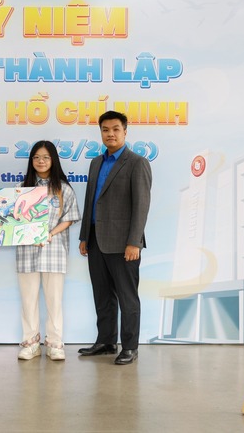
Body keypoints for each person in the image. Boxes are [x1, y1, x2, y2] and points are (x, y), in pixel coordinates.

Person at [78, 111, 152, 366]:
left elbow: (141, 206)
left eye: (115, 129)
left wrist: (134, 242)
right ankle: (106, 341)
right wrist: (84, 236)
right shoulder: (96, 163)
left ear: (125, 132)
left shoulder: (137, 163)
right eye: (105, 130)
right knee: (102, 295)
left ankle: (130, 347)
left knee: (127, 297)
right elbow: (91, 201)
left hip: (124, 244)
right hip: (96, 239)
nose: (110, 134)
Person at [13, 141, 80, 361]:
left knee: (54, 300)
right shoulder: (21, 190)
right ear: (31, 161)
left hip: (54, 250)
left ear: (53, 160)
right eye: (36, 157)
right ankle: (31, 343)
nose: (41, 161)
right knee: (28, 300)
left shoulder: (63, 189)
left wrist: (50, 234)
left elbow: (70, 218)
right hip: (27, 251)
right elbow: (13, 219)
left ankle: (55, 344)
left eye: (46, 157)